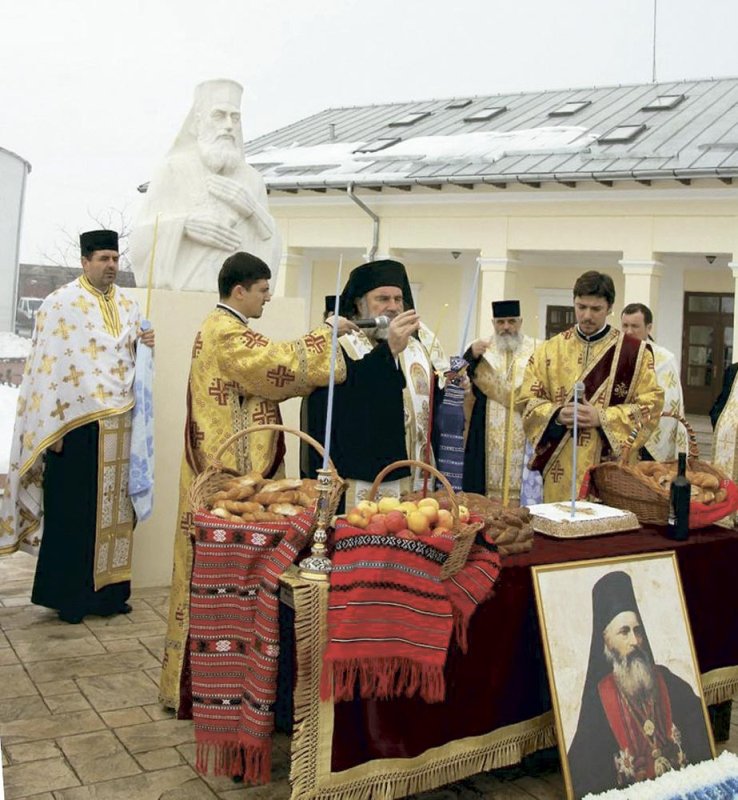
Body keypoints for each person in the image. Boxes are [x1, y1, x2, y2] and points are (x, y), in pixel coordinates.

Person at [160, 251, 354, 712]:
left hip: (240, 468)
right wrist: (325, 333)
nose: (267, 298)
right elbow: (274, 365)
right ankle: (212, 687)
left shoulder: (228, 328)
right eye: (263, 290)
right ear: (240, 290)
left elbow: (272, 361)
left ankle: (247, 676)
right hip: (227, 474)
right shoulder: (225, 331)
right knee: (226, 576)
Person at [0, 230, 155, 623]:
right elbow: (44, 368)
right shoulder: (60, 304)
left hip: (120, 421)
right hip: (74, 426)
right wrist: (47, 429)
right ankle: (68, 598)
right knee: (74, 511)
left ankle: (109, 595)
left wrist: (146, 341)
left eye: (115, 259)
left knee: (115, 513)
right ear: (85, 261)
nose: (111, 266)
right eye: (103, 258)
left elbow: (132, 357)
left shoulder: (129, 305)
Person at [303, 259, 449, 507]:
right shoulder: (339, 348)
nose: (393, 307)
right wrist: (388, 351)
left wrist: (451, 387)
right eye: (382, 299)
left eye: (398, 299)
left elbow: (425, 408)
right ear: (360, 305)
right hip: (358, 483)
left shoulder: (417, 350)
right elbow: (350, 406)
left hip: (415, 479)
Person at [518, 271, 663, 502]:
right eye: (581, 307)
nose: (586, 315)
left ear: (610, 308)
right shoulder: (549, 350)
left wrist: (602, 417)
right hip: (559, 466)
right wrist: (555, 414)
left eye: (595, 309)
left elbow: (651, 406)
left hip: (611, 469)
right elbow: (526, 401)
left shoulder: (635, 353)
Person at [567, 571, 712, 796]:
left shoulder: (666, 680)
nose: (635, 641)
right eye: (624, 632)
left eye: (638, 631)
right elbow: (584, 771)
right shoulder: (599, 699)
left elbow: (699, 725)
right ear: (606, 642)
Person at [130, 79, 281, 292]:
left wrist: (252, 210)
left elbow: (271, 245)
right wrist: (184, 226)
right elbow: (139, 241)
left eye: (235, 117)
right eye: (219, 115)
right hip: (183, 291)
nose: (229, 125)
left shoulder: (252, 179)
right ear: (199, 122)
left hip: (237, 298)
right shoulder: (173, 169)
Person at [463, 300, 541, 505]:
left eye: (511, 321)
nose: (506, 327)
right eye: (500, 322)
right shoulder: (480, 349)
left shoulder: (538, 349)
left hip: (524, 430)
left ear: (520, 321)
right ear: (493, 322)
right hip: (485, 434)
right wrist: (469, 355)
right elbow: (454, 376)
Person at [620, 303, 686, 461]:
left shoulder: (664, 359)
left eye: (635, 326)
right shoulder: (614, 356)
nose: (629, 331)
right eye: (625, 325)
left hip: (651, 438)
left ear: (648, 328)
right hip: (619, 431)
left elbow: (670, 402)